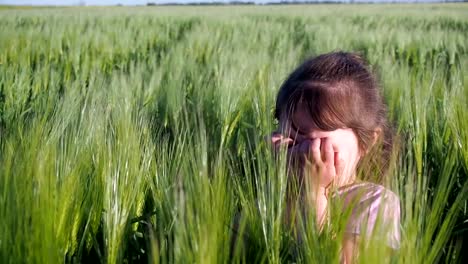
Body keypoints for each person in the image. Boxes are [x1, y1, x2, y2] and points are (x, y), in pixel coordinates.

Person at [270, 51, 400, 263]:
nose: (303, 154)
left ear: (366, 142)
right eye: (292, 140)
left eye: (317, 145)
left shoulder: (375, 202)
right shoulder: (277, 193)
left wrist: (315, 195)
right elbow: (232, 244)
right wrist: (270, 178)